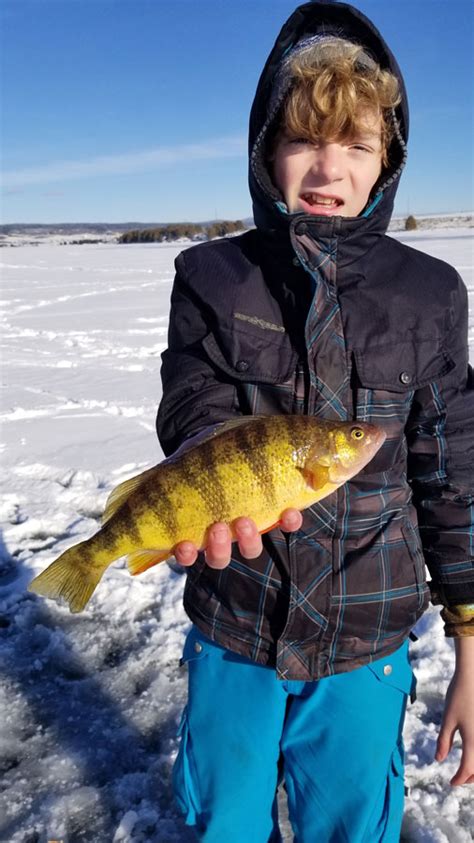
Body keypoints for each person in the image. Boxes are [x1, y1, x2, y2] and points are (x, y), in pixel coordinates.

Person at [157, 2, 474, 840]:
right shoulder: (214, 275)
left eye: (357, 143)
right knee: (224, 818)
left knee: (350, 824)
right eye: (303, 138)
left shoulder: (430, 294)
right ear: (266, 152)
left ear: (389, 159)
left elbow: (453, 475)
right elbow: (194, 406)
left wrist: (472, 641)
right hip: (236, 618)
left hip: (367, 646)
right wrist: (204, 473)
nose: (329, 167)